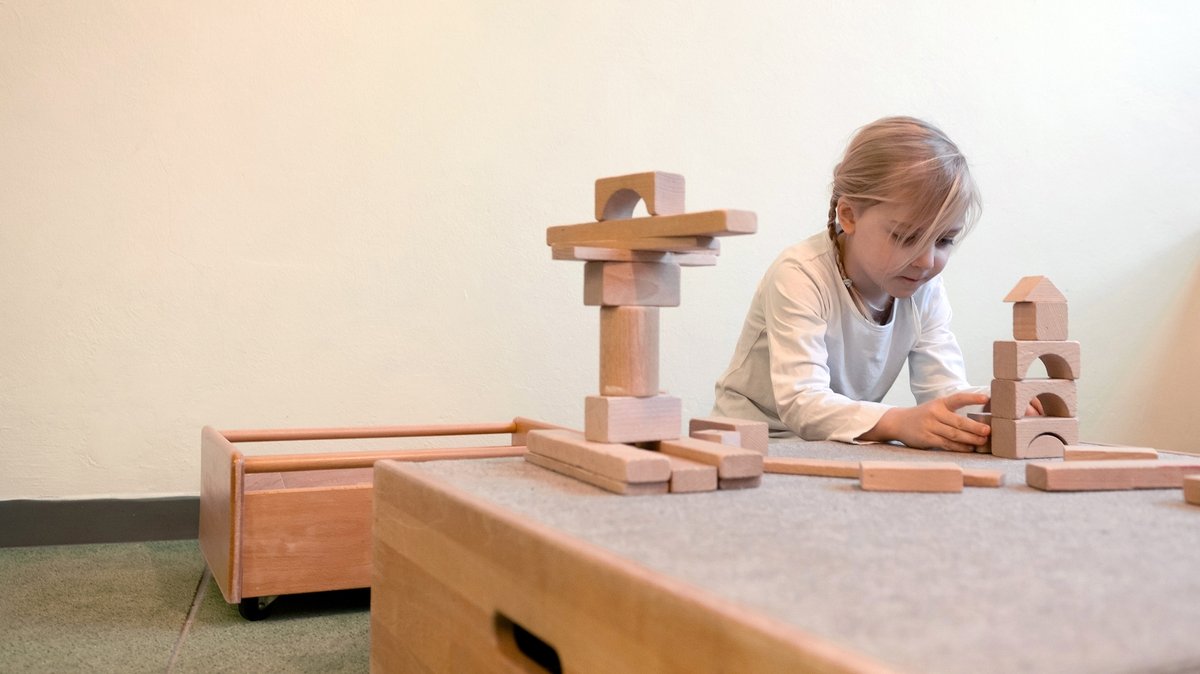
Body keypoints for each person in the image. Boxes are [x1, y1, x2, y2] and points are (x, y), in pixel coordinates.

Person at [711, 116, 995, 452]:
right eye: (906, 236)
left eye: (945, 240)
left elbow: (946, 391)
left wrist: (989, 413)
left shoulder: (925, 290)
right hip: (751, 441)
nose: (926, 261)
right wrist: (900, 422)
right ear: (849, 216)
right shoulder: (800, 273)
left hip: (836, 444)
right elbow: (802, 401)